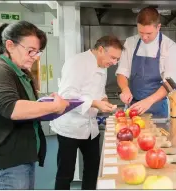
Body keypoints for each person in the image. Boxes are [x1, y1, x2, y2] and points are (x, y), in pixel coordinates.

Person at [0, 21, 69, 189]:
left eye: (38, 52)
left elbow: (27, 106)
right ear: (10, 45)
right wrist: (53, 107)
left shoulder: (19, 73)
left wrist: (48, 103)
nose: (35, 56)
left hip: (20, 159)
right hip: (6, 164)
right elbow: (12, 108)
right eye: (31, 51)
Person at [50, 36, 123, 189]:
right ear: (101, 49)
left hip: (90, 127)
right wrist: (95, 103)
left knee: (92, 168)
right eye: (113, 58)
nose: (114, 63)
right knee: (66, 172)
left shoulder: (102, 66)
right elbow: (67, 95)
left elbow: (99, 91)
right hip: (70, 127)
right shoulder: (77, 63)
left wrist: (104, 100)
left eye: (117, 59)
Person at [116, 7, 176, 118]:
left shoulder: (169, 47)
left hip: (158, 107)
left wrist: (149, 101)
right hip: (133, 106)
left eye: (149, 33)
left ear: (158, 27)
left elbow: (171, 82)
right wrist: (125, 89)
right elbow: (122, 72)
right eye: (141, 32)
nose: (144, 37)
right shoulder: (130, 42)